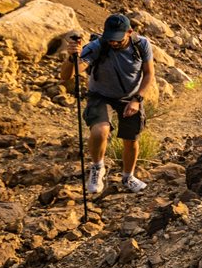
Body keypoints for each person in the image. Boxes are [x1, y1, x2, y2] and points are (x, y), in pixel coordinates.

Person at [61, 13, 156, 194]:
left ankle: (128, 177)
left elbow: (149, 74)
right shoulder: (97, 46)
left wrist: (137, 99)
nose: (113, 42)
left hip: (131, 97)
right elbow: (67, 76)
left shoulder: (141, 45)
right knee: (100, 131)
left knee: (131, 139)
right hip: (101, 95)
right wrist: (72, 58)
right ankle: (98, 168)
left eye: (118, 39)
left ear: (129, 32)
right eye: (110, 38)